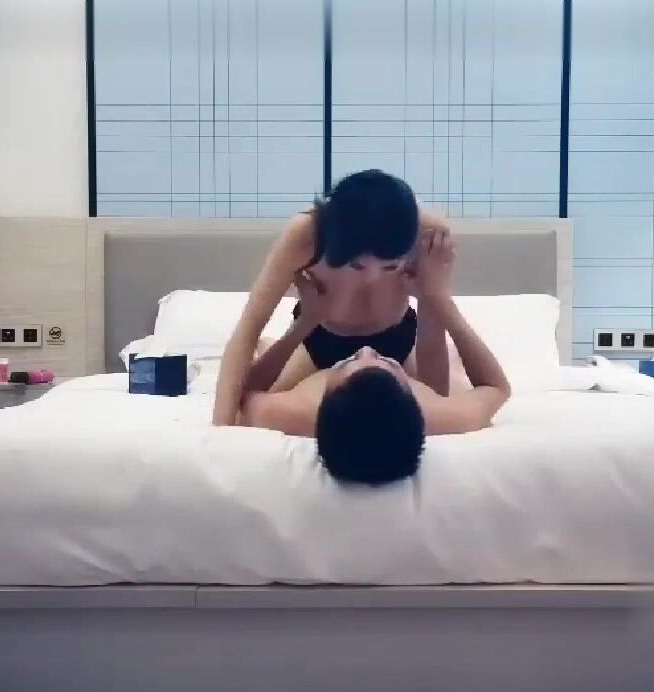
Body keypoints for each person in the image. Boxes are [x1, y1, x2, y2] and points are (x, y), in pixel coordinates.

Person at [238, 233, 512, 487]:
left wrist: (304, 322)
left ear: (325, 397)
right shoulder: (439, 416)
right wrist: (438, 299)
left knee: (267, 362)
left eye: (351, 361)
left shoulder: (294, 413)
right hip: (400, 336)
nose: (366, 348)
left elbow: (243, 395)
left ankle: (276, 344)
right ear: (410, 392)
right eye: (386, 363)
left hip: (316, 335)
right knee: (454, 373)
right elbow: (497, 388)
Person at [212, 169, 453, 427]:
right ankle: (269, 346)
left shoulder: (428, 236)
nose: (372, 278)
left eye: (390, 267)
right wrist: (220, 431)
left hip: (397, 342)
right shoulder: (307, 234)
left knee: (436, 415)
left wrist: (432, 294)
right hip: (320, 340)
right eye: (357, 266)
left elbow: (438, 390)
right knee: (244, 408)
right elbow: (248, 328)